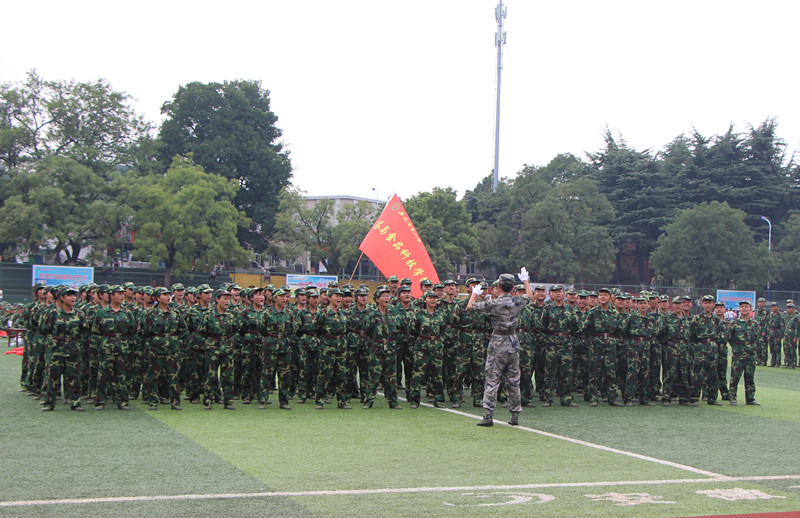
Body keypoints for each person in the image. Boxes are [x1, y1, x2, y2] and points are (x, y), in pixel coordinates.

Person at [466, 268, 532, 427]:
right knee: (513, 380)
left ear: (499, 287)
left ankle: (488, 415)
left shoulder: (494, 303)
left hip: (497, 342)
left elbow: (470, 306)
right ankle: (515, 415)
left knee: (492, 379)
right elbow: (530, 296)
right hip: (513, 341)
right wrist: (525, 281)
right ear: (513, 287)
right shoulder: (517, 301)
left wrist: (474, 293)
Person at [38, 287, 85, 412]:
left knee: (74, 377)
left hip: (73, 349)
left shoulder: (79, 314)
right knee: (52, 377)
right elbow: (44, 329)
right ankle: (49, 402)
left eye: (74, 295)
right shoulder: (53, 313)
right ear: (62, 298)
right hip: (56, 349)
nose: (73, 298)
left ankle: (75, 402)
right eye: (69, 295)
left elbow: (84, 330)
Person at [728, 300, 760, 406]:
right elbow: (730, 338)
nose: (744, 308)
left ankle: (750, 398)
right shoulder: (734, 323)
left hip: (750, 354)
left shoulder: (754, 324)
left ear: (750, 309)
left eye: (746, 306)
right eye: (742, 307)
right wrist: (738, 348)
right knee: (735, 376)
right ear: (739, 309)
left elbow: (756, 338)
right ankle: (732, 397)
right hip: (738, 354)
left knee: (750, 376)